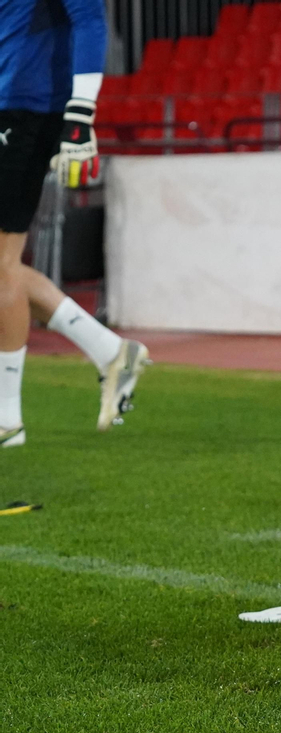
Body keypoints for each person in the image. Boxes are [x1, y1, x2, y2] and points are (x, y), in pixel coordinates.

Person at [0, 0, 151, 448]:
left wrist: (80, 115)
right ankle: (111, 352)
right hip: (10, 103)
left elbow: (88, 17)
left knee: (2, 261)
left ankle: (7, 420)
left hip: (27, 106)